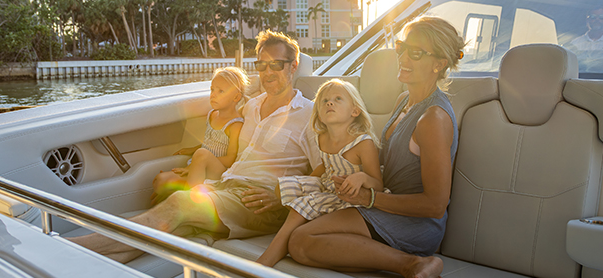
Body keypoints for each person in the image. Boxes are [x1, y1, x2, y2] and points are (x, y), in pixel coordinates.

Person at [68, 30, 320, 263]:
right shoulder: (252, 107)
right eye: (261, 65)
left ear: (293, 66)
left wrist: (281, 196)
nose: (267, 72)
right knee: (172, 229)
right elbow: (228, 144)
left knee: (180, 202)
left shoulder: (309, 115)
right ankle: (78, 263)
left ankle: (68, 247)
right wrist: (194, 167)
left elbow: (324, 173)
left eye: (276, 64)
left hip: (260, 203)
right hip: (227, 186)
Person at [286, 16, 464, 278]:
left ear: (439, 64)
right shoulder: (404, 100)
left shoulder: (433, 119)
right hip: (384, 205)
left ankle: (413, 264)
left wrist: (369, 198)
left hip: (415, 224)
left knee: (302, 241)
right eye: (401, 47)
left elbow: (436, 206)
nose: (403, 57)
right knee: (302, 235)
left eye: (415, 53)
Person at [256, 79, 383, 267]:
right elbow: (325, 166)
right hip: (327, 185)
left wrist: (361, 177)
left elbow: (378, 184)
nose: (329, 103)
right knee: (284, 188)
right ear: (320, 115)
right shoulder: (323, 138)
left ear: (355, 111)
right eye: (324, 101)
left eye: (338, 99)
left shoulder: (363, 143)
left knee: (300, 208)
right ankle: (304, 217)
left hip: (350, 196)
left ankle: (265, 261)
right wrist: (305, 184)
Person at [151, 67, 248, 205]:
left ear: (236, 97)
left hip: (217, 172)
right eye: (212, 89)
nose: (213, 95)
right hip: (200, 165)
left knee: (200, 154)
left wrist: (193, 165)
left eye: (221, 91)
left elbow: (231, 158)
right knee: (159, 181)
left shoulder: (235, 125)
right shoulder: (213, 114)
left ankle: (186, 202)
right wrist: (192, 150)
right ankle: (180, 191)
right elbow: (211, 142)